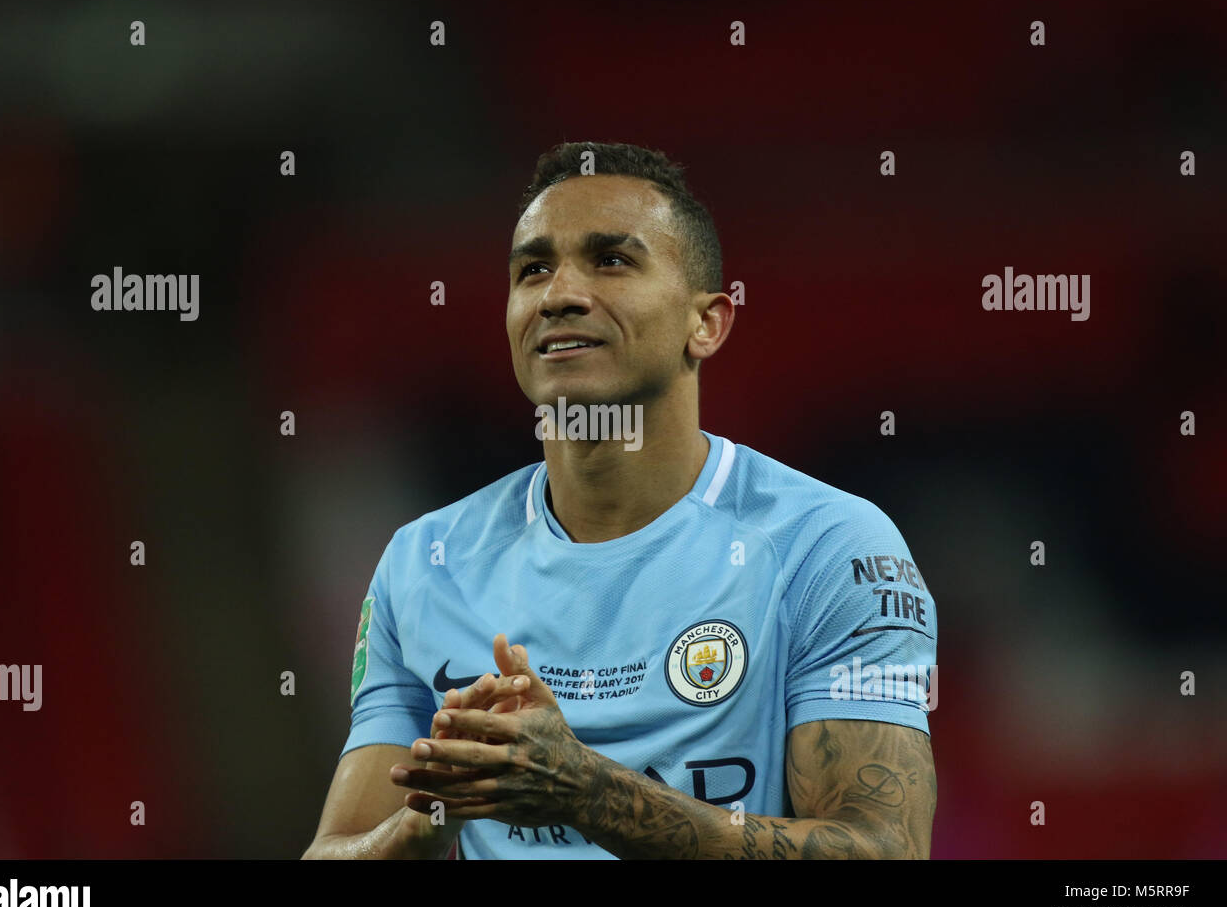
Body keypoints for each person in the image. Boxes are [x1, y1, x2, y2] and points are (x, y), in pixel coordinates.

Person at [303, 141, 937, 860]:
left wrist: (587, 792)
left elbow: (885, 849)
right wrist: (428, 818)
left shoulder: (829, 547)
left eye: (611, 260)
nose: (559, 294)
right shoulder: (426, 563)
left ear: (708, 323)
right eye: (532, 269)